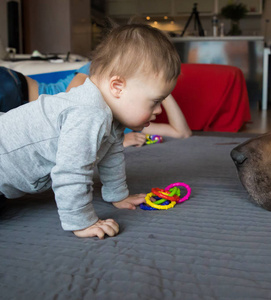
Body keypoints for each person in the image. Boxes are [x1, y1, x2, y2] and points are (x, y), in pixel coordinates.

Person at [0, 24, 180, 239]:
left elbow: (112, 158)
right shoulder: (89, 113)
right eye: (155, 102)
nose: (158, 111)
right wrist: (83, 222)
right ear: (117, 87)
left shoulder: (111, 117)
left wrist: (118, 195)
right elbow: (71, 172)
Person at [0, 63, 191, 147]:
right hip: (16, 91)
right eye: (154, 102)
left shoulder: (129, 118)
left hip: (17, 119)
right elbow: (69, 108)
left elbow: (181, 133)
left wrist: (160, 91)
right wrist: (114, 142)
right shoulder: (103, 70)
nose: (156, 110)